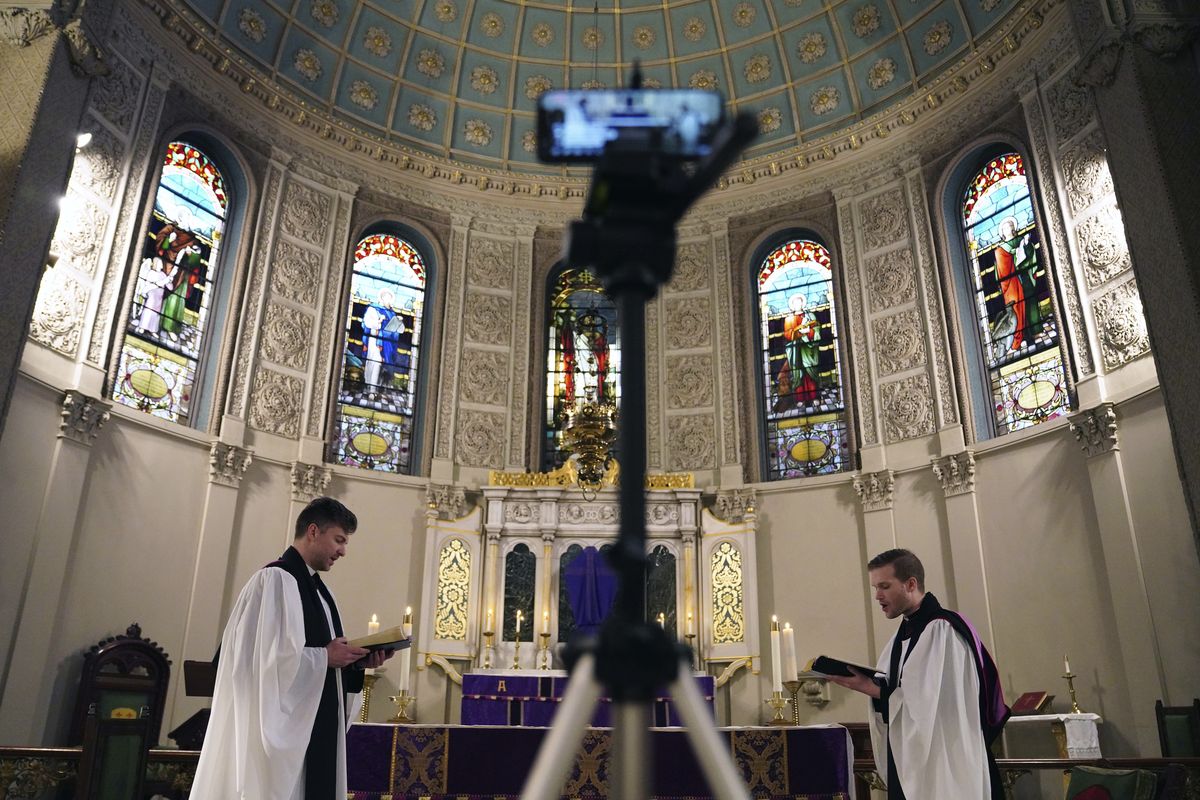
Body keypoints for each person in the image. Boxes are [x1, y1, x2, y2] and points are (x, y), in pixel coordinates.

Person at [190, 497, 392, 799]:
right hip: (279, 740)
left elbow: (322, 662)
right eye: (339, 540)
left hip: (313, 730)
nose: (343, 551)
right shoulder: (274, 581)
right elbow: (264, 665)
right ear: (313, 531)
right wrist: (324, 656)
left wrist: (356, 663)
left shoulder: (322, 593)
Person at [827, 549, 1009, 800]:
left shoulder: (943, 630)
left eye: (884, 586)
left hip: (946, 760)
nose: (878, 596)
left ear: (910, 584)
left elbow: (932, 706)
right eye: (875, 588)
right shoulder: (901, 635)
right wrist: (871, 686)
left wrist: (872, 688)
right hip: (912, 759)